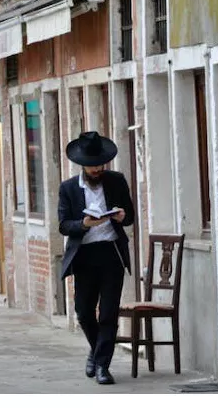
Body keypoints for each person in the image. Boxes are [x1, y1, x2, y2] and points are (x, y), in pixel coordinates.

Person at [58, 131, 135, 385]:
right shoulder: (68, 188)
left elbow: (130, 216)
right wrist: (84, 224)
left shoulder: (116, 181)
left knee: (109, 313)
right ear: (83, 165)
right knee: (83, 312)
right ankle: (96, 349)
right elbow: (64, 225)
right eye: (92, 166)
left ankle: (103, 366)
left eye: (100, 165)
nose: (97, 169)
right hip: (84, 256)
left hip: (111, 253)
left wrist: (122, 217)